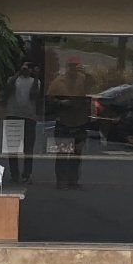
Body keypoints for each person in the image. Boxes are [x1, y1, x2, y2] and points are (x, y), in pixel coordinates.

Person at [48, 57, 92, 189]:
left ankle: (73, 180)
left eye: (76, 66)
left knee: (76, 155)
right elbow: (49, 99)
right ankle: (61, 181)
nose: (73, 69)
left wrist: (87, 73)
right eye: (71, 66)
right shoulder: (58, 81)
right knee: (62, 154)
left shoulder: (83, 79)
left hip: (79, 121)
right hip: (64, 122)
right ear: (67, 67)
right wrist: (61, 103)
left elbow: (92, 87)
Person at [2, 60, 42, 185]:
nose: (26, 69)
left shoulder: (35, 82)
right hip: (13, 115)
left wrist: (35, 76)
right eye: (25, 66)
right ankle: (14, 174)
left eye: (29, 67)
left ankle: (27, 174)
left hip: (29, 117)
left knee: (28, 148)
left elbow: (34, 94)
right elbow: (7, 90)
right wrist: (18, 73)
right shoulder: (13, 80)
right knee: (12, 148)